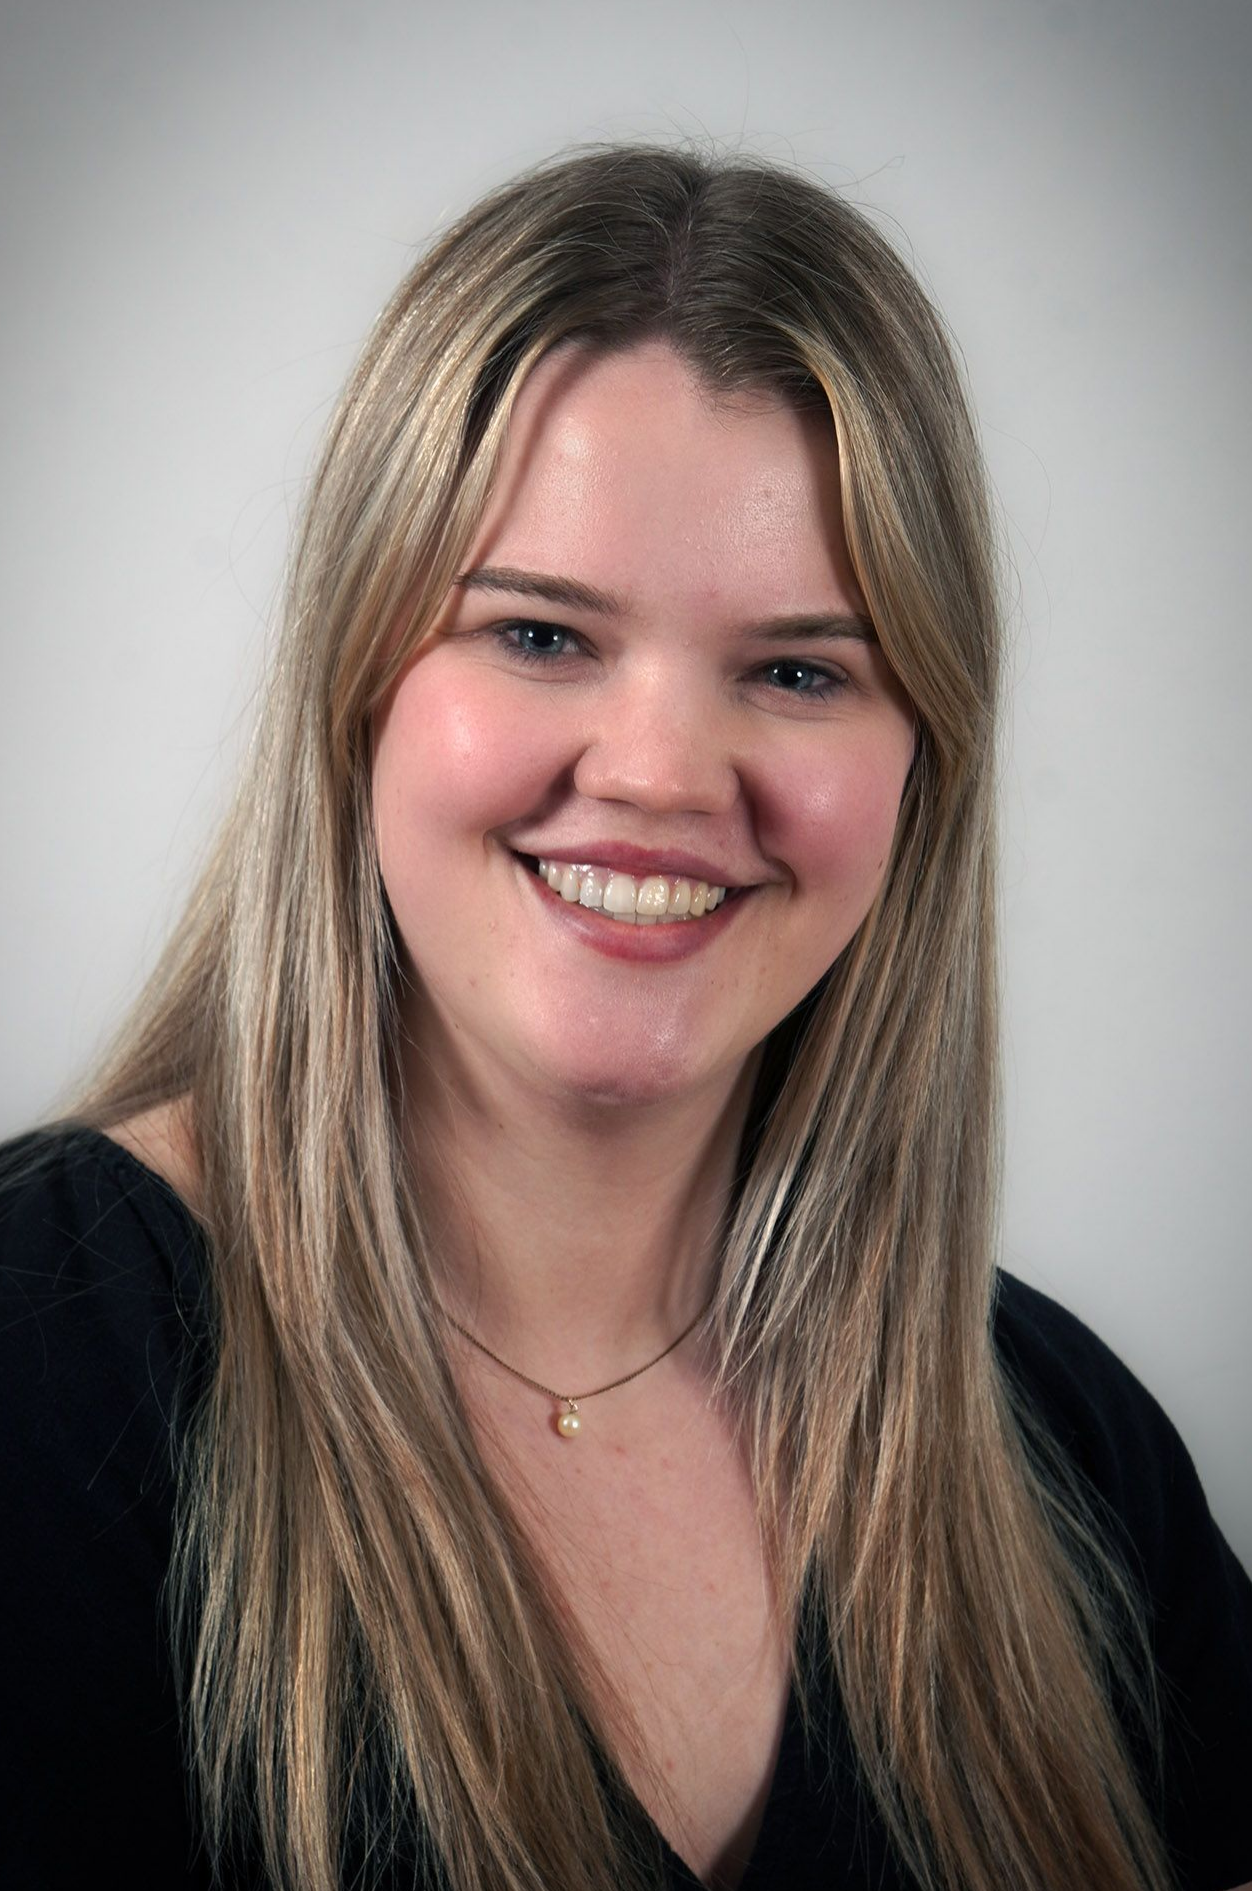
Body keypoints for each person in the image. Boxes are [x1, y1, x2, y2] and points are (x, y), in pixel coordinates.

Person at [1, 143, 1249, 1891]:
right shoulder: (40, 1361)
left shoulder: (1073, 1456)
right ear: (356, 687)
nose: (661, 772)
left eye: (800, 670)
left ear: (923, 767)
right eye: (537, 635)